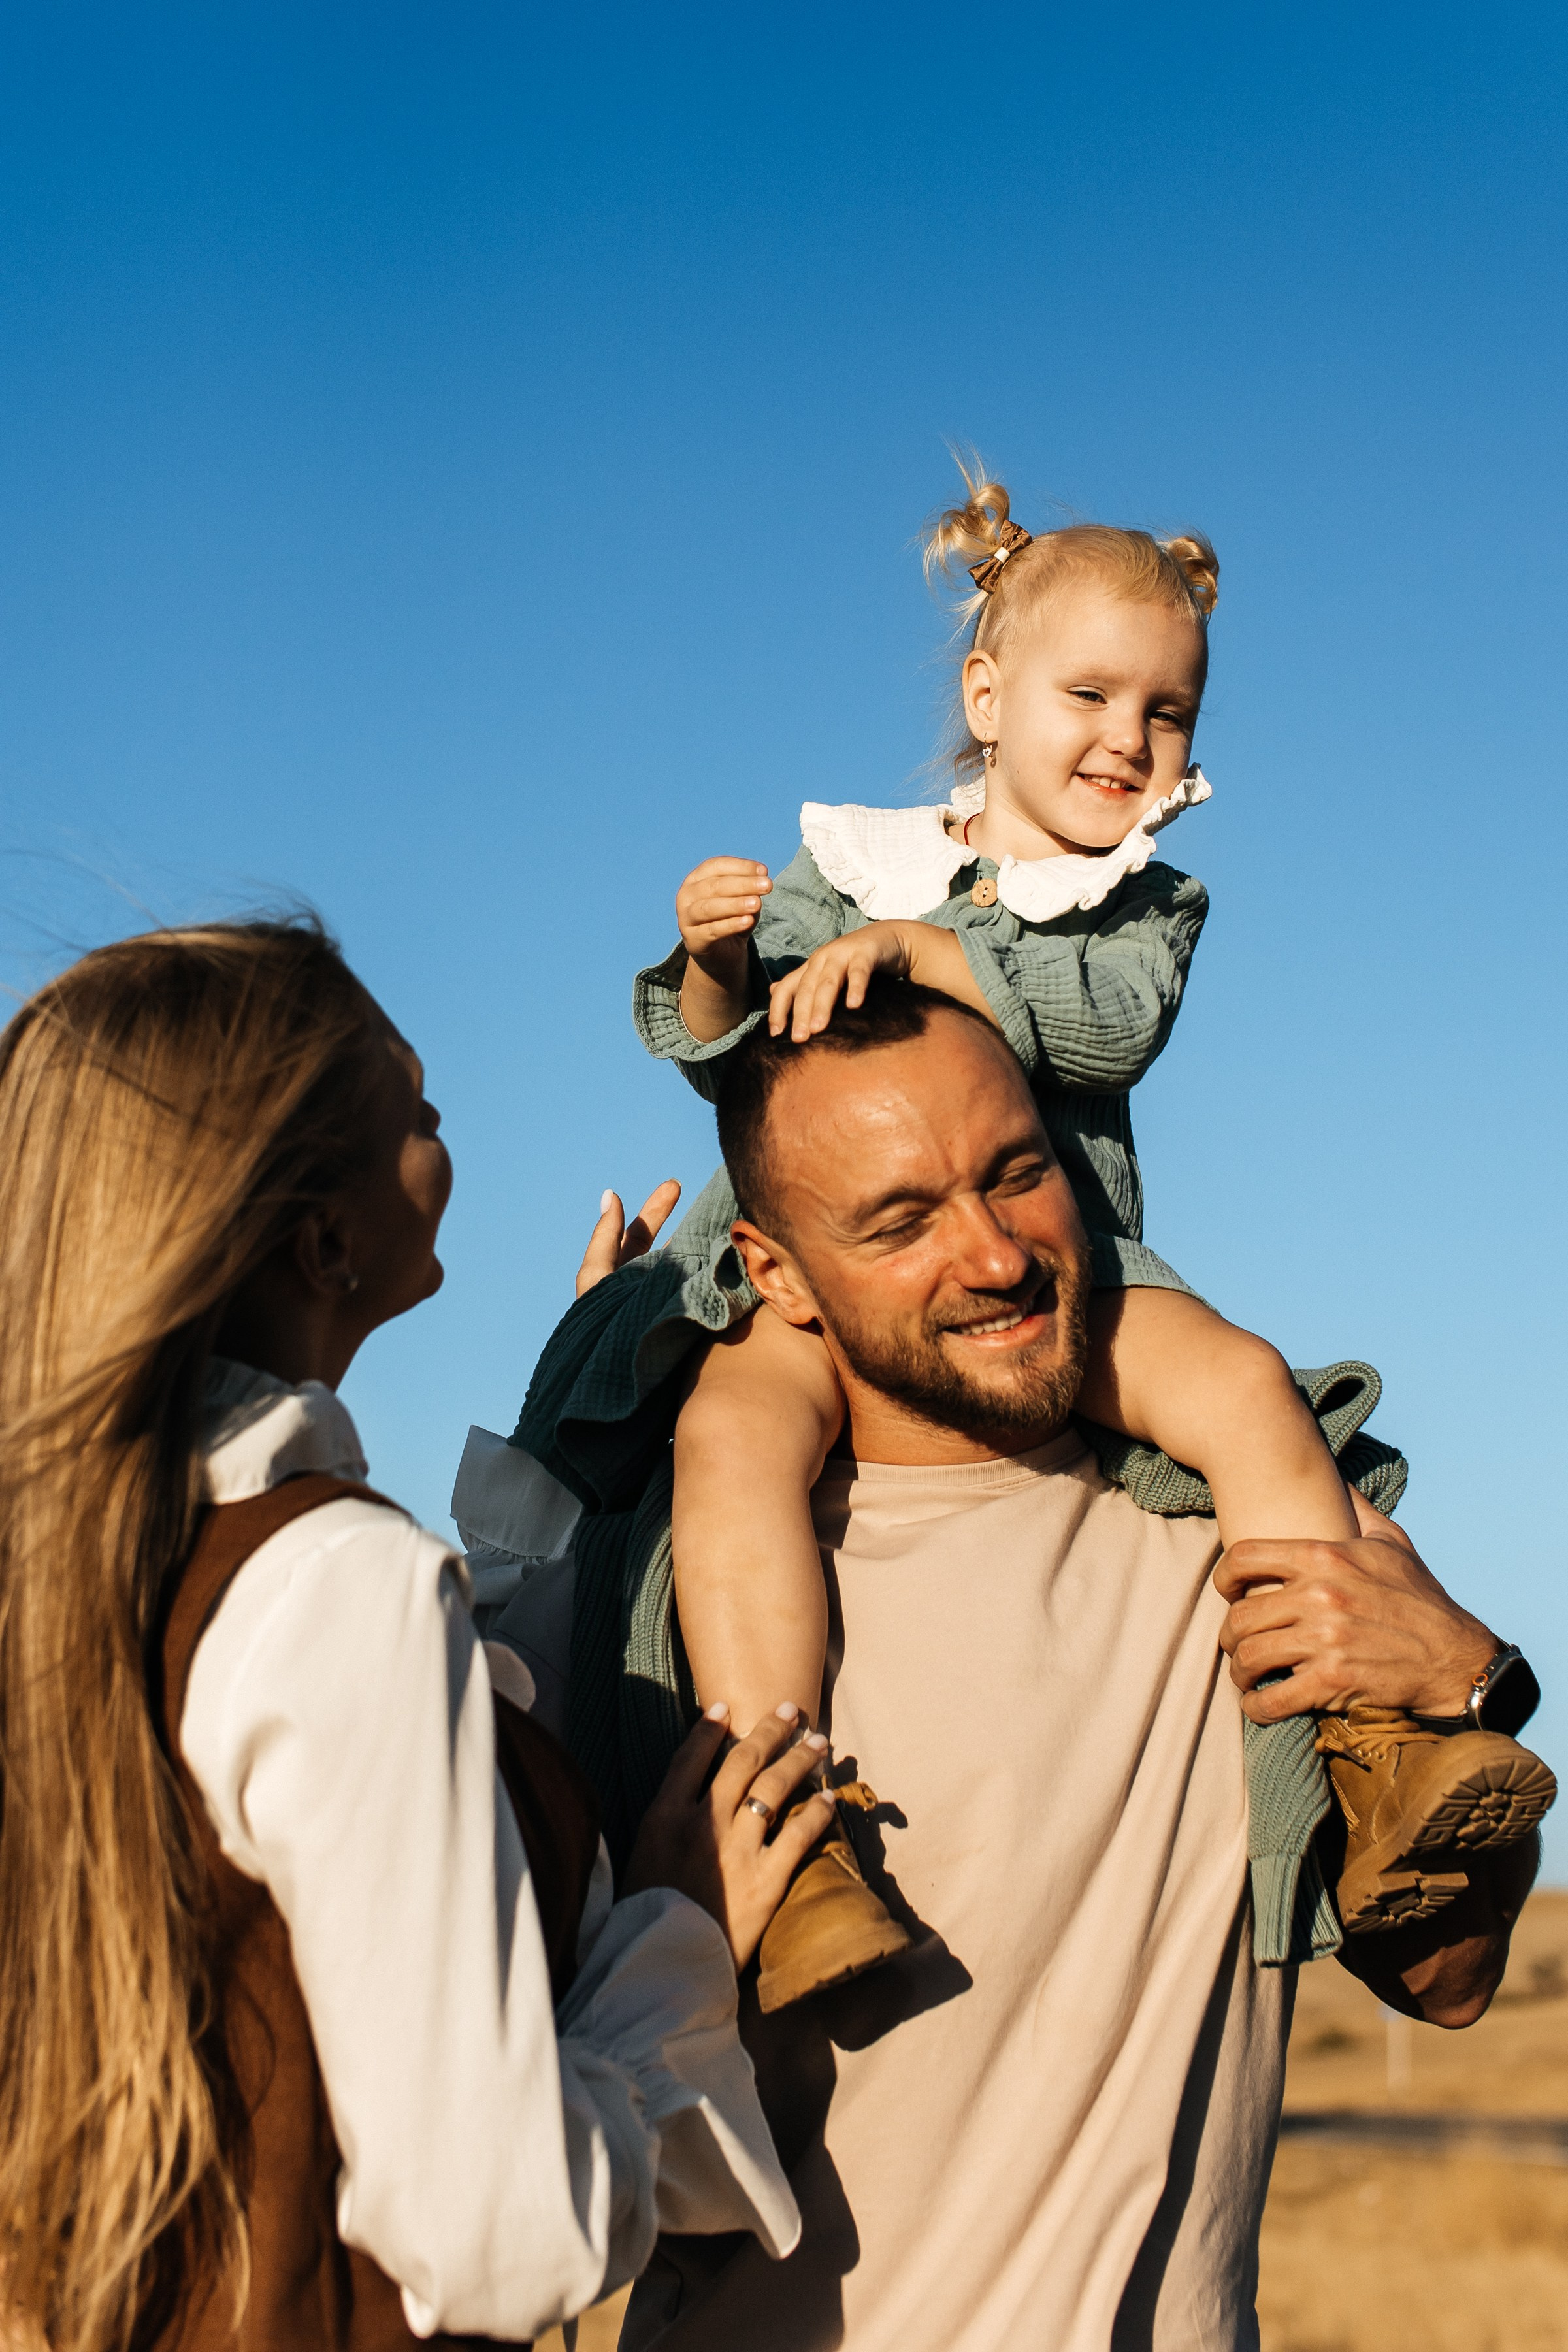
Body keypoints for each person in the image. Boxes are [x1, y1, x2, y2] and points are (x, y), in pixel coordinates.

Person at [630, 459, 1552, 1998]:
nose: (1129, 740)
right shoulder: (853, 861)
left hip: (1078, 1268)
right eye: (1092, 696)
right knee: (728, 1442)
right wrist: (714, 960)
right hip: (813, 1273)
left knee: (1250, 1390)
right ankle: (788, 1821)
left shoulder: (1135, 904)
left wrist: (935, 951)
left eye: (1168, 712)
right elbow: (740, 1070)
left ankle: (1368, 1742)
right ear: (988, 697)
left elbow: (1106, 1034)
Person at [601, 976, 1539, 2351]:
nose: (993, 1256)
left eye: (1016, 1174)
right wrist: (670, 1954)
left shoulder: (1251, 1547)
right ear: (775, 1272)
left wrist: (1472, 1683)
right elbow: (487, 2187)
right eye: (902, 1219)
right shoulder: (656, 1629)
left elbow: (1451, 1984)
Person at [0, 918, 836, 2352]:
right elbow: (500, 2241)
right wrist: (676, 1935)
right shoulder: (339, 1588)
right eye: (411, 1099)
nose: (435, 1094)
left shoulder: (96, 1576)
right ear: (325, 1238)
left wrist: (586, 1393)